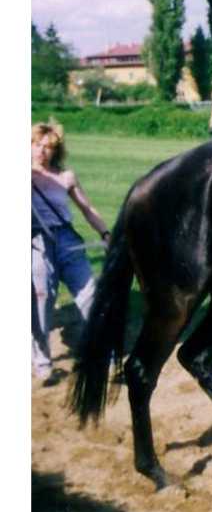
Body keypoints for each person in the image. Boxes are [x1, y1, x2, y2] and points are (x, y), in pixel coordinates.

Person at [31, 121, 110, 385]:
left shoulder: (66, 177)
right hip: (36, 242)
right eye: (36, 145)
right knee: (41, 299)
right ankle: (42, 362)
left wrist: (105, 234)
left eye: (48, 147)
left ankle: (104, 354)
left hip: (67, 240)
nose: (41, 151)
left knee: (90, 296)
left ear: (56, 150)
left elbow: (87, 209)